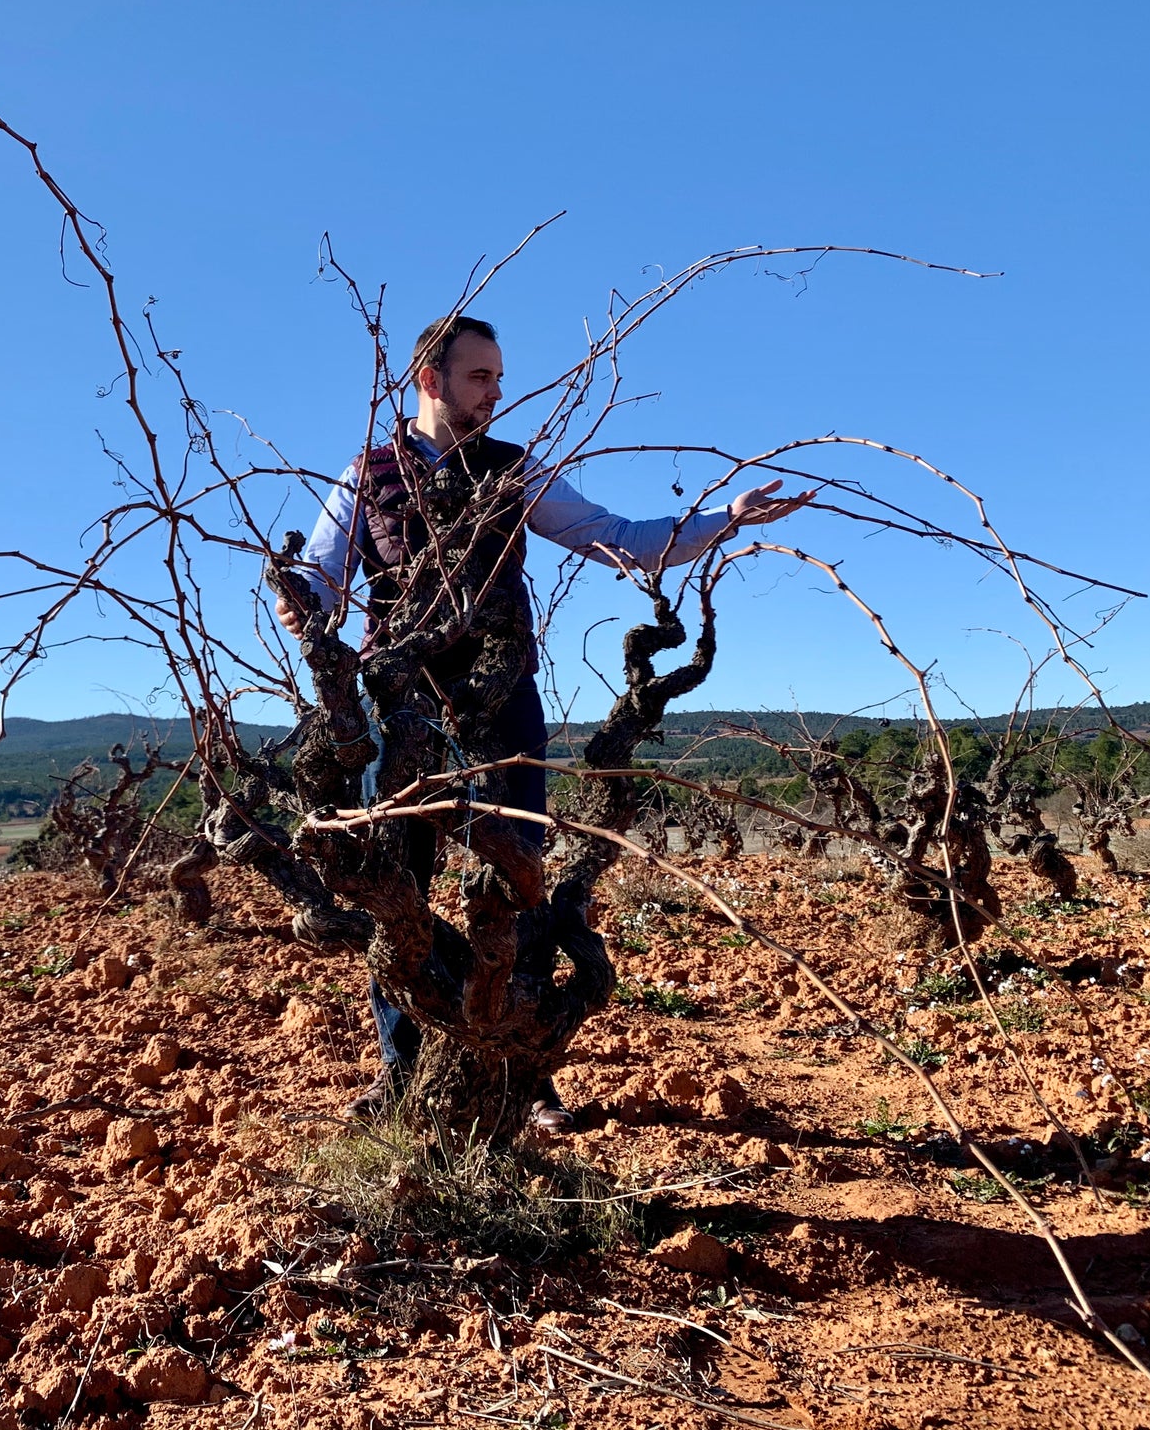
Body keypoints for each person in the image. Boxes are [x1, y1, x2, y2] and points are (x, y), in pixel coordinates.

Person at [278, 315, 812, 1127]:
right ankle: (402, 1075)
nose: (496, 394)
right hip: (402, 705)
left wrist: (724, 520)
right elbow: (324, 572)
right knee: (400, 892)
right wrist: (300, 599)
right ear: (430, 380)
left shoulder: (513, 470)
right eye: (479, 378)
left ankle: (520, 1077)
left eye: (498, 377)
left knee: (517, 882)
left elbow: (618, 540)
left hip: (503, 700)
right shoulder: (368, 474)